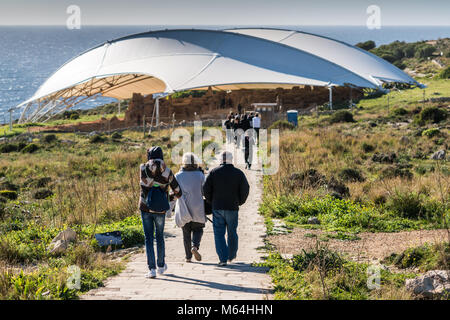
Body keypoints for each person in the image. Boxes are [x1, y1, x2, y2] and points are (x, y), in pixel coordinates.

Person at [139, 146, 182, 279]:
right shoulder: (167, 171)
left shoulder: (143, 168)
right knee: (159, 236)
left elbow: (144, 185)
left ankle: (151, 269)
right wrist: (167, 199)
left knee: (148, 238)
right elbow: (178, 192)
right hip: (160, 209)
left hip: (145, 207)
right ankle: (161, 266)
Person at [203, 151, 250, 266]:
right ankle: (231, 255)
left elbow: (205, 189)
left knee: (218, 233)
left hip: (217, 207)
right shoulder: (239, 173)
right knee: (232, 232)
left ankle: (223, 259)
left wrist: (211, 201)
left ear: (220, 160)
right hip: (232, 207)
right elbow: (245, 189)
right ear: (231, 159)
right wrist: (240, 202)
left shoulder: (213, 173)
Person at [174, 153, 206, 263]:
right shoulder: (200, 175)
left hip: (184, 208)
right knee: (198, 229)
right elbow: (204, 191)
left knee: (186, 233)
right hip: (198, 207)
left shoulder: (178, 176)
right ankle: (195, 246)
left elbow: (174, 193)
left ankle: (188, 257)